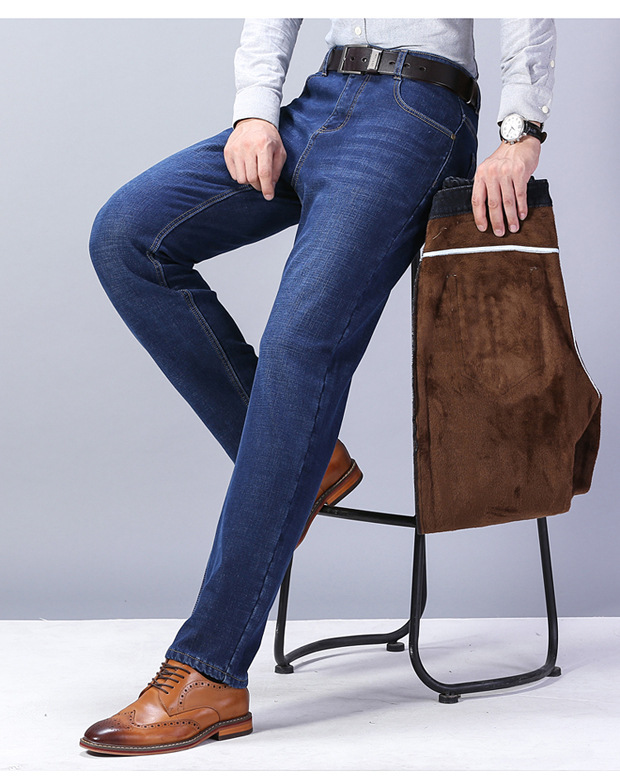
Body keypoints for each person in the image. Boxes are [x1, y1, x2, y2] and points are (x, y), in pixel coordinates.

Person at [79, 18, 556, 755]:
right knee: (127, 236)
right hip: (319, 99)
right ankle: (313, 465)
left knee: (297, 347)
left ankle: (209, 670)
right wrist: (255, 111)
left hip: (415, 113)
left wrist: (521, 132)